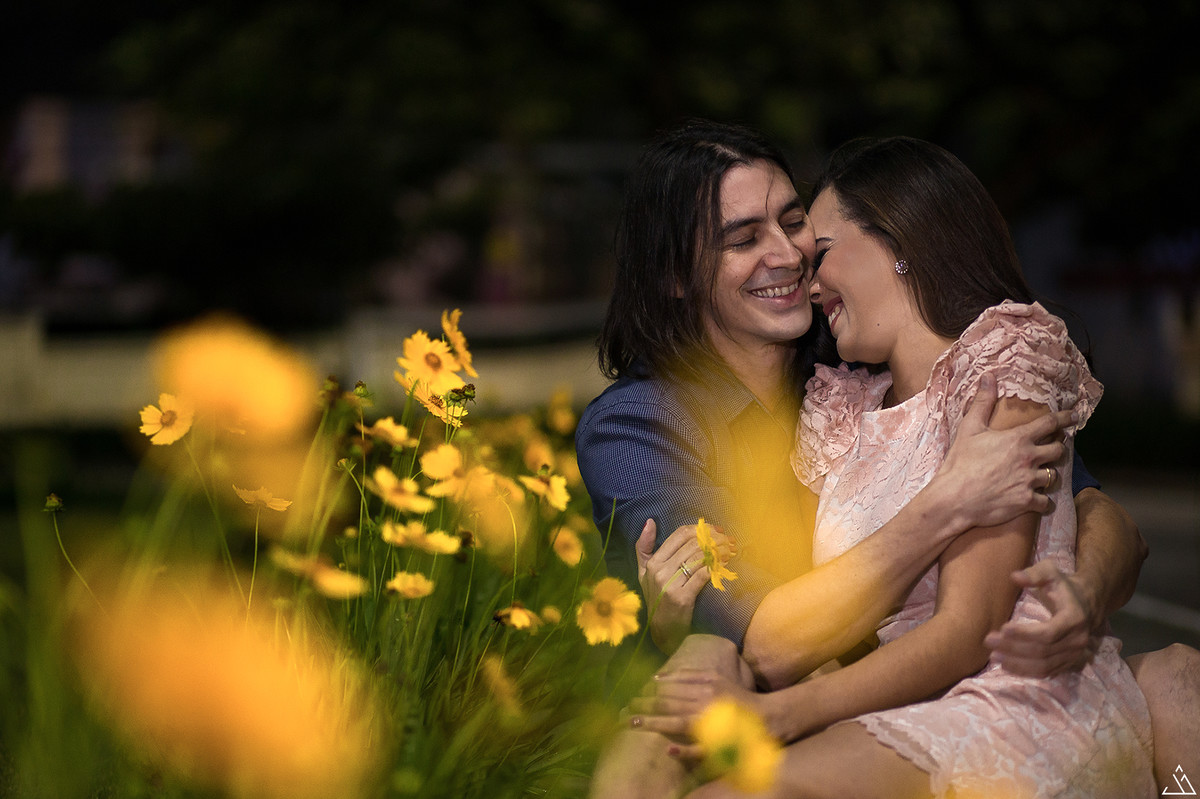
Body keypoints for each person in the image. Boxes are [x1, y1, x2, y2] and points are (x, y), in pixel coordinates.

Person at [577, 120, 1199, 795]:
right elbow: (757, 640)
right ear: (674, 274)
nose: (790, 256)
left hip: (903, 690)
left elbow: (1092, 510)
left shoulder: (854, 358)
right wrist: (949, 501)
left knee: (1175, 677)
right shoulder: (637, 425)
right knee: (699, 666)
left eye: (795, 225)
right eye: (744, 238)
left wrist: (1083, 591)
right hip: (737, 680)